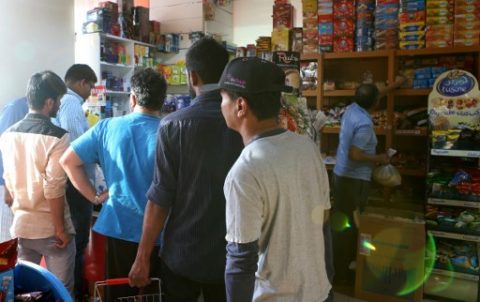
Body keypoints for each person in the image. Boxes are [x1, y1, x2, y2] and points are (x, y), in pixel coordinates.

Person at [128, 37, 243, 302]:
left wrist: (142, 257)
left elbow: (160, 200)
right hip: (232, 254)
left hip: (182, 253)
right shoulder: (244, 122)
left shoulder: (172, 125)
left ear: (192, 76)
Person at [219, 57, 331, 301]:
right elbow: (324, 221)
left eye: (222, 98)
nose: (221, 105)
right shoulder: (307, 147)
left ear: (240, 106)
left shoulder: (245, 171)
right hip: (318, 292)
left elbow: (240, 260)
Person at [60, 68, 167, 298]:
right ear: (163, 101)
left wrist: (94, 197)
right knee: (156, 293)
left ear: (133, 98)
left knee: (118, 294)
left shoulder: (106, 127)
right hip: (161, 232)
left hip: (119, 225)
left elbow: (67, 161)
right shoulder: (170, 132)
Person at [0, 71, 75, 294]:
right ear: (49, 102)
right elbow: (54, 187)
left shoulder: (8, 135)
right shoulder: (58, 137)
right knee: (60, 292)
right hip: (51, 231)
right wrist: (61, 229)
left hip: (21, 228)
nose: (59, 105)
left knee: (24, 292)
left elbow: (9, 186)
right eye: (59, 100)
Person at [331, 79, 404, 285]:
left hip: (341, 174)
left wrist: (396, 84)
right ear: (375, 103)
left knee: (341, 222)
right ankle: (344, 271)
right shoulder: (364, 122)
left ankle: (338, 266)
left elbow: (375, 91)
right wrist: (379, 158)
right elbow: (355, 154)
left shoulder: (351, 110)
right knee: (352, 225)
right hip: (354, 180)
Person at [52, 63, 97, 300]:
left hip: (74, 183)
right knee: (78, 244)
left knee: (77, 243)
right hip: (75, 185)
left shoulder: (70, 103)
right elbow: (75, 149)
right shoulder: (71, 103)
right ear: (82, 82)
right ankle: (77, 294)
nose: (91, 91)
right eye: (90, 85)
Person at [0, 97, 28, 243]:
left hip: (15, 183)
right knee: (5, 240)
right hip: (5, 185)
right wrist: (7, 186)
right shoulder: (17, 109)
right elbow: (4, 149)